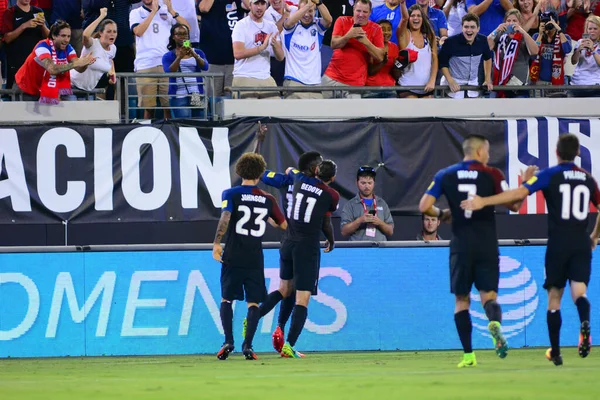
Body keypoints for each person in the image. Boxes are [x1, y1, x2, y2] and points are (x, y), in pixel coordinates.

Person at [461, 133, 600, 366]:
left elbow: (517, 196)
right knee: (579, 291)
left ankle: (555, 351)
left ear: (556, 152)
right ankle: (584, 323)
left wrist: (485, 201)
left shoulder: (549, 174)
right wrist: (594, 235)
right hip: (580, 242)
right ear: (577, 153)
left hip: (558, 243)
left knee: (554, 297)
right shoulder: (588, 179)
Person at [418, 134, 535, 368]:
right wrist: (524, 184)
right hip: (487, 245)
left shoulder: (446, 174)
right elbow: (515, 204)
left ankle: (469, 355)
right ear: (480, 152)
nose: (489, 156)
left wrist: (443, 215)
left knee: (461, 301)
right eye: (488, 151)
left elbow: (423, 206)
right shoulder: (492, 174)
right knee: (489, 296)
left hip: (461, 245)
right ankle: (495, 325)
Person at [260, 151, 339, 358]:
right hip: (307, 246)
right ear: (331, 177)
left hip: (287, 241)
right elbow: (326, 221)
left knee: (284, 289)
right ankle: (289, 345)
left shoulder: (296, 178)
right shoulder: (331, 195)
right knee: (302, 299)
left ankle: (256, 317)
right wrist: (331, 240)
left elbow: (283, 172)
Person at [212, 152, 288, 361]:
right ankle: (248, 346)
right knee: (253, 303)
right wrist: (265, 217)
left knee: (227, 299)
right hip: (254, 257)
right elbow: (283, 225)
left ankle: (228, 341)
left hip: (233, 255)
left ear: (239, 171)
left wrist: (217, 242)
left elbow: (225, 218)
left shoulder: (231, 193)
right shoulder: (268, 198)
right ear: (260, 173)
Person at [130, 0, 189, 119]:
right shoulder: (136, 12)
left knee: (168, 105)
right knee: (148, 107)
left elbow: (187, 28)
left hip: (166, 64)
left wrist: (171, 10)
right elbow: (138, 32)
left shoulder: (166, 12)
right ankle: (147, 134)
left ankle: (169, 134)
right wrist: (153, 12)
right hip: (145, 64)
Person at [14, 20, 95, 102]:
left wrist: (85, 63)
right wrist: (76, 63)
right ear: (53, 35)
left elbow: (79, 69)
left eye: (68, 36)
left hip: (42, 87)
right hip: (25, 88)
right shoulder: (42, 46)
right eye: (63, 36)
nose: (66, 40)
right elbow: (52, 69)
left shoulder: (68, 48)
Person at [322, 0, 385, 97]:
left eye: (365, 12)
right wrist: (348, 36)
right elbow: (333, 44)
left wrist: (366, 42)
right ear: (353, 9)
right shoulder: (342, 20)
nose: (361, 15)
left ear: (370, 13)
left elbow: (380, 57)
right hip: (331, 79)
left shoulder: (376, 29)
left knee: (352, 112)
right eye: (358, 11)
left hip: (355, 84)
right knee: (326, 111)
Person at [231, 0, 285, 99]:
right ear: (250, 5)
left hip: (266, 76)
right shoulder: (241, 25)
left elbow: (281, 57)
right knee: (249, 113)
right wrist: (261, 48)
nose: (259, 7)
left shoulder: (271, 26)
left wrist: (275, 45)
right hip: (244, 76)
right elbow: (237, 53)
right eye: (256, 4)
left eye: (262, 4)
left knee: (277, 111)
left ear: (266, 5)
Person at [281, 0, 332, 99]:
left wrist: (319, 3)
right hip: (294, 82)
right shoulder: (291, 27)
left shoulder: (318, 27)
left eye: (311, 11)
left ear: (315, 12)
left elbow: (329, 20)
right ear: (298, 10)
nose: (307, 14)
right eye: (304, 11)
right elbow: (288, 23)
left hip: (315, 84)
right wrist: (308, 5)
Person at [198, 0, 246, 99]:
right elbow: (203, 8)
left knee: (233, 100)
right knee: (211, 100)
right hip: (212, 59)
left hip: (235, 61)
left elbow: (250, 5)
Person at [487, 9, 539, 98]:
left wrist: (522, 31)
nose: (511, 23)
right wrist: (496, 30)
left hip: (519, 88)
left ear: (520, 23)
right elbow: (486, 47)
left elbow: (535, 51)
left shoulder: (524, 38)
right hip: (498, 86)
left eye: (514, 21)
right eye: (508, 20)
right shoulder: (499, 36)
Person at [439, 13, 493, 98]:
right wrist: (450, 80)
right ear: (462, 28)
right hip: (453, 88)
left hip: (473, 87)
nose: (469, 30)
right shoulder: (450, 42)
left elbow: (488, 58)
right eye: (466, 27)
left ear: (478, 29)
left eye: (472, 27)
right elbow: (442, 63)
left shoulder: (483, 41)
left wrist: (487, 79)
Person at [1, 0, 49, 94]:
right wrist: (24, 26)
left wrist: (43, 26)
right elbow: (7, 38)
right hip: (16, 62)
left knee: (35, 91)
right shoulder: (10, 12)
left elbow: (49, 37)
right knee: (15, 92)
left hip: (35, 62)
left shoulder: (38, 11)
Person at [162, 23, 209, 118]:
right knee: (184, 125)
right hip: (179, 95)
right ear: (173, 37)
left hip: (196, 94)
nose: (183, 37)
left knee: (199, 121)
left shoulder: (198, 52)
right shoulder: (168, 56)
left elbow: (205, 67)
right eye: (179, 34)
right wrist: (179, 57)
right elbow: (170, 72)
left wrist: (194, 54)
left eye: (185, 34)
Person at [70, 8, 117, 97]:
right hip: (72, 86)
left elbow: (110, 61)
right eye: (109, 31)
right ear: (100, 33)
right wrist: (101, 16)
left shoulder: (113, 48)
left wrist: (112, 74)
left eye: (114, 32)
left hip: (89, 90)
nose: (112, 34)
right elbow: (85, 35)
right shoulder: (93, 44)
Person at [395, 1, 438, 97]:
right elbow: (404, 18)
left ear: (422, 19)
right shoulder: (404, 35)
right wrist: (402, 4)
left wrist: (432, 80)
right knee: (414, 108)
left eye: (419, 16)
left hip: (427, 88)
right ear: (409, 18)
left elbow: (434, 58)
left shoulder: (429, 36)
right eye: (413, 16)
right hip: (407, 88)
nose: (416, 18)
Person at [341, 165, 394, 241]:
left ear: (374, 183)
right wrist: (359, 221)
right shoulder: (350, 205)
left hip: (379, 249)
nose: (367, 186)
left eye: (370, 183)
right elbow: (344, 232)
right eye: (363, 183)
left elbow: (390, 231)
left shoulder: (382, 203)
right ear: (357, 182)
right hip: (358, 249)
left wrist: (379, 222)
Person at [530, 10, 572, 96]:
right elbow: (533, 56)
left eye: (550, 21)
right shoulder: (536, 36)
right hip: (540, 82)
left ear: (557, 22)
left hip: (558, 82)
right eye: (544, 22)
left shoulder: (565, 37)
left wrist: (559, 30)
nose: (547, 24)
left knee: (557, 109)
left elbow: (567, 49)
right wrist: (540, 35)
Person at [364, 19, 398, 97]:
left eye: (389, 30)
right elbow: (370, 71)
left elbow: (395, 74)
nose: (386, 33)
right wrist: (382, 63)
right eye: (383, 29)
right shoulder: (371, 46)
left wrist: (400, 66)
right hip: (371, 89)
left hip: (390, 88)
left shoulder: (394, 47)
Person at [569, 15, 600, 97]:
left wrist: (593, 50)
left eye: (595, 29)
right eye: (590, 29)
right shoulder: (580, 42)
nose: (592, 31)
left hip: (595, 85)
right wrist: (578, 50)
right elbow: (573, 61)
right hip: (577, 83)